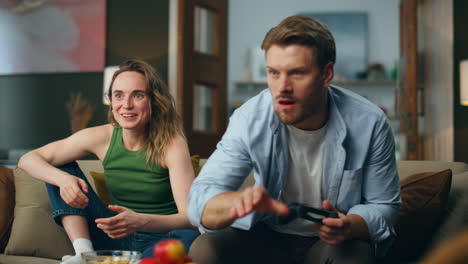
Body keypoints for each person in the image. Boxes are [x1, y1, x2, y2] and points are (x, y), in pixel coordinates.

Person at [187, 15, 401, 264]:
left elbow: (384, 205)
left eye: (297, 73)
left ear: (327, 74)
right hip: (267, 237)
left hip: (329, 244)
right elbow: (200, 199)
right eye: (274, 73)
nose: (282, 87)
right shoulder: (249, 118)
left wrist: (350, 225)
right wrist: (236, 202)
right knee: (205, 248)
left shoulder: (369, 122)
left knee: (354, 257)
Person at [18, 59, 199, 264]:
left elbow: (190, 218)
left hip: (159, 237)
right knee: (58, 165)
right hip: (114, 237)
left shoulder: (172, 143)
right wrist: (63, 180)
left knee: (189, 237)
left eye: (138, 95)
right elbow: (28, 159)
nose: (126, 105)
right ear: (111, 101)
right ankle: (83, 254)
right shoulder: (102, 136)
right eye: (118, 95)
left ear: (153, 100)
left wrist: (141, 221)